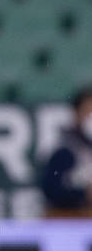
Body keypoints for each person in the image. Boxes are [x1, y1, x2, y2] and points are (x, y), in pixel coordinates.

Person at [39, 85, 92, 218]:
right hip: (70, 219)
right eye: (88, 111)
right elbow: (51, 189)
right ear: (76, 113)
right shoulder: (64, 148)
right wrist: (83, 193)